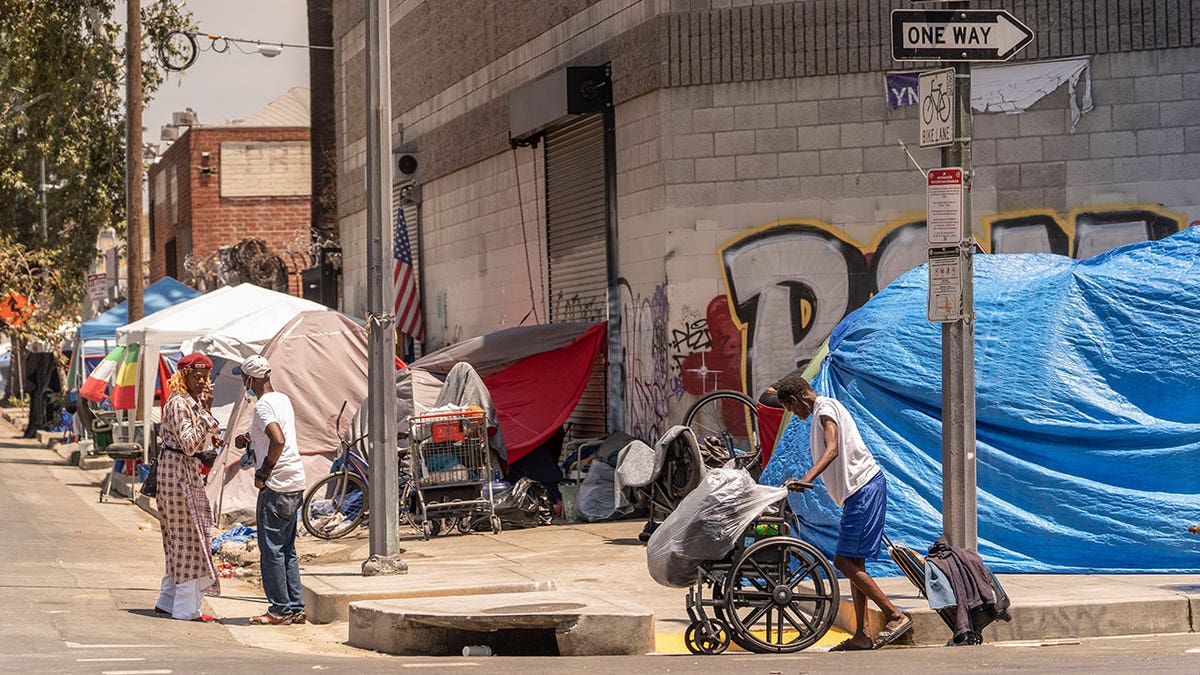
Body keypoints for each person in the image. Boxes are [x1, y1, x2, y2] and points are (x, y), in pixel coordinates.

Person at [774, 372, 912, 651]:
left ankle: (895, 616)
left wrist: (807, 478)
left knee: (843, 563)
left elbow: (833, 448)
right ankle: (863, 635)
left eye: (790, 408)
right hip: (857, 493)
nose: (794, 414)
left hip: (864, 489)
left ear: (797, 397)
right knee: (854, 565)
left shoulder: (824, 408)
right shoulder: (821, 411)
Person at [233, 354, 308, 625]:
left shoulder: (263, 406)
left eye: (243, 378)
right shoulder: (282, 399)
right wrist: (248, 438)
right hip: (295, 481)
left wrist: (264, 472)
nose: (243, 383)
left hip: (275, 485)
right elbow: (271, 435)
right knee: (287, 548)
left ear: (251, 379)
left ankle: (279, 609)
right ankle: (295, 607)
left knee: (272, 549)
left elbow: (278, 439)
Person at [155, 352, 223, 622]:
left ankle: (168, 600)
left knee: (179, 539)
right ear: (183, 377)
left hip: (182, 472)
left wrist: (206, 419)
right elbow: (189, 444)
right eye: (197, 377)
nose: (203, 383)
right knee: (189, 540)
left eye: (206, 377)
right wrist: (206, 414)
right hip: (178, 475)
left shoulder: (189, 402)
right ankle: (185, 609)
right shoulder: (180, 403)